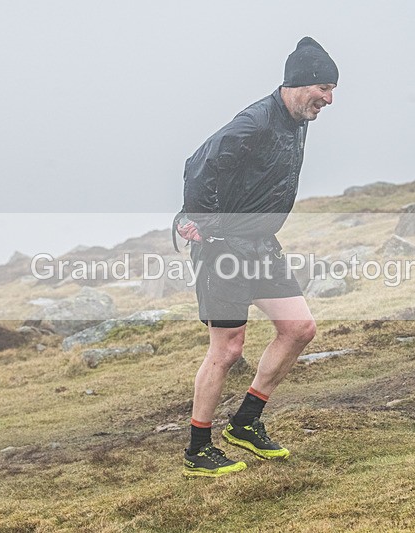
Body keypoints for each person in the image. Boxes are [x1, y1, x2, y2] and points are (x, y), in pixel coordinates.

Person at [174, 36, 338, 478]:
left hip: (261, 245)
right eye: (323, 88)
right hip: (222, 248)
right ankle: (198, 450)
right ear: (298, 83)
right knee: (227, 349)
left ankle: (245, 423)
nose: (328, 99)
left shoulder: (297, 120)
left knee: (299, 329)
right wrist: (201, 222)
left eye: (331, 90)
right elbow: (198, 165)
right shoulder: (256, 121)